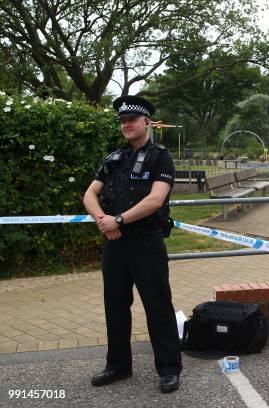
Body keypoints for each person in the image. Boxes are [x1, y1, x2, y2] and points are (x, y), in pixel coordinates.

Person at [83, 95, 182, 393]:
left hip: (146, 243)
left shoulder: (160, 157)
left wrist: (120, 220)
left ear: (146, 123)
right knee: (114, 305)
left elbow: (155, 199)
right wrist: (104, 220)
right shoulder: (114, 158)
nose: (126, 124)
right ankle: (118, 366)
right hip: (115, 244)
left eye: (132, 120)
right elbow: (89, 195)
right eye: (123, 121)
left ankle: (168, 368)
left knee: (158, 306)